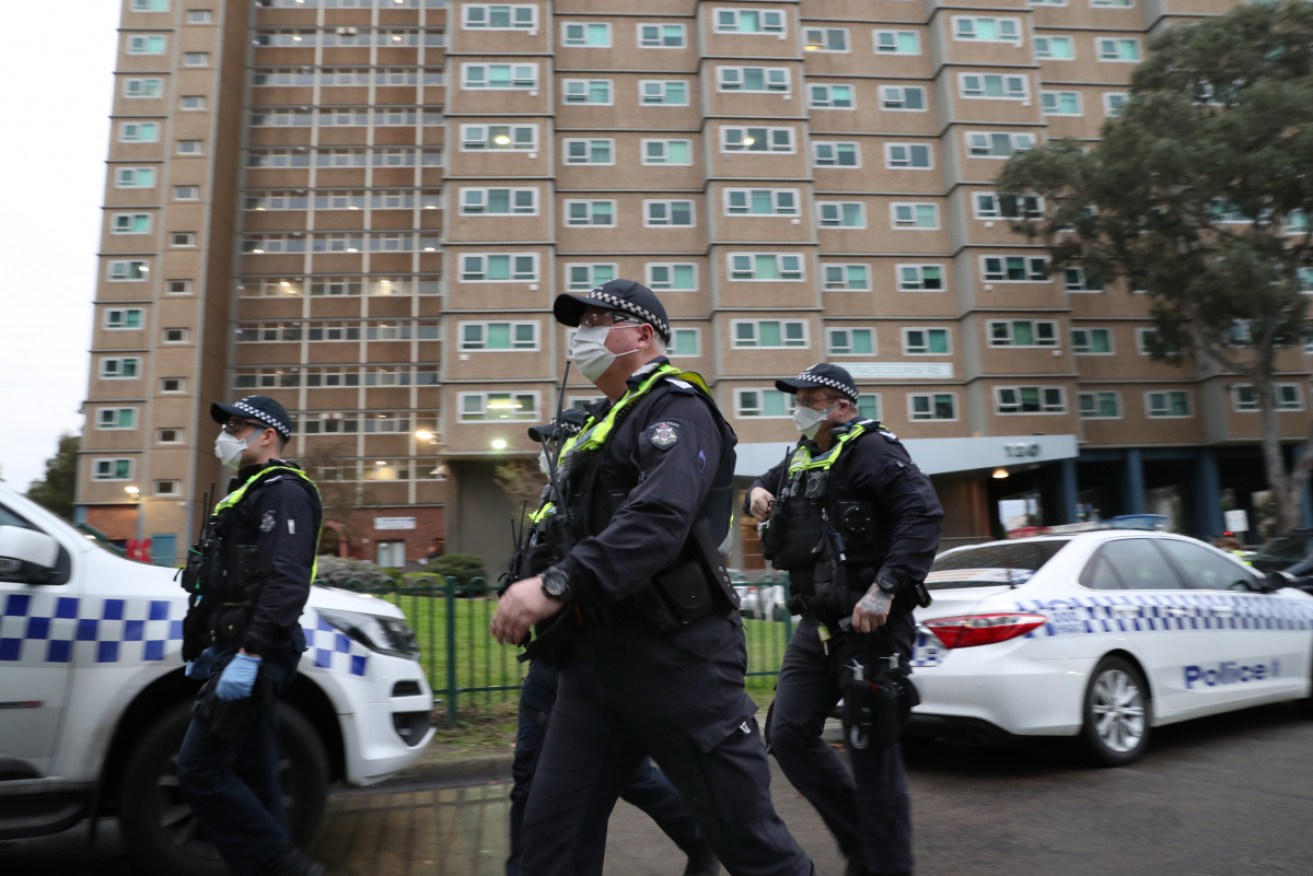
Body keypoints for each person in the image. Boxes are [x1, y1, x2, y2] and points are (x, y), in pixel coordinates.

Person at [491, 278, 816, 876]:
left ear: (642, 334)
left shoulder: (677, 409)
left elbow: (658, 519)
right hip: (592, 669)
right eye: (579, 323)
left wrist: (556, 585)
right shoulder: (605, 423)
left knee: (753, 847)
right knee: (549, 845)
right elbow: (570, 526)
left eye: (596, 321)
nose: (581, 336)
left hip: (679, 661)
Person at [746, 364, 942, 876]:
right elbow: (762, 487)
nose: (801, 408)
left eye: (812, 399)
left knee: (873, 757)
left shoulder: (874, 452)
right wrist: (755, 496)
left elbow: (922, 516)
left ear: (844, 407)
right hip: (819, 625)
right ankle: (864, 843)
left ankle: (886, 864)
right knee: (787, 736)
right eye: (799, 399)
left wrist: (884, 589)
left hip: (872, 625)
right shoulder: (801, 458)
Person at [503, 414, 719, 876]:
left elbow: (607, 561)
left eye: (556, 441)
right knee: (530, 773)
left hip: (590, 658)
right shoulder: (551, 498)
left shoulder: (596, 497)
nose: (548, 451)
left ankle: (701, 839)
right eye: (545, 443)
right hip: (551, 656)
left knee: (613, 776)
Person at [176, 395, 325, 876]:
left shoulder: (283, 493)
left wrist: (249, 653)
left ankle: (283, 866)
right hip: (232, 648)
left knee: (199, 768)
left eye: (238, 427)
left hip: (254, 650)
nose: (226, 435)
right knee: (255, 775)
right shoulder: (249, 491)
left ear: (268, 436)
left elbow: (285, 581)